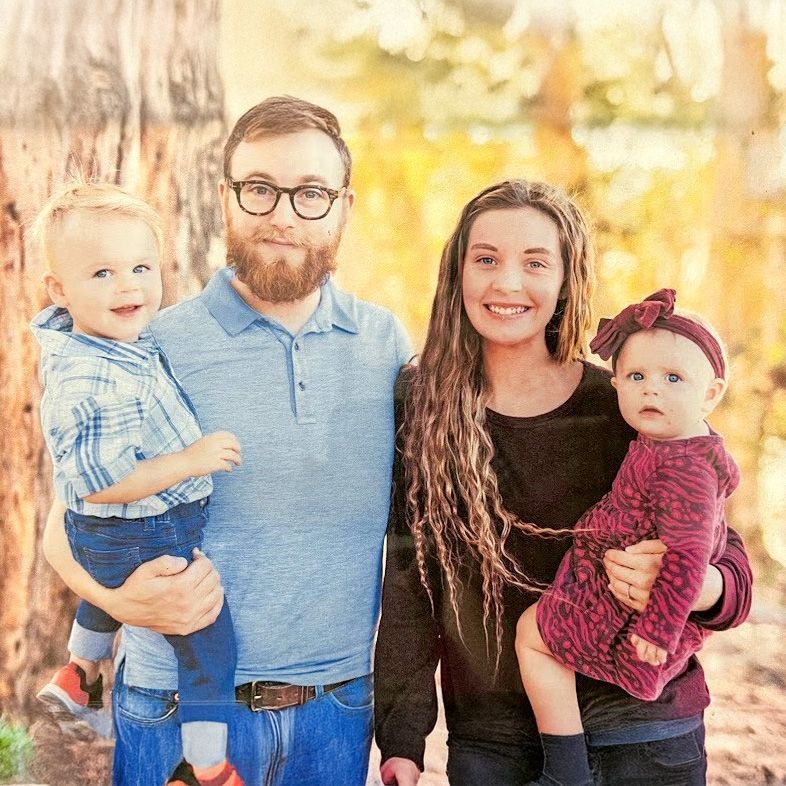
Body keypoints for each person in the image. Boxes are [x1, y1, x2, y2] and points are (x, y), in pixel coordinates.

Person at [41, 96, 412, 786]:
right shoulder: (150, 342)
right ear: (225, 198)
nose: (283, 214)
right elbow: (64, 522)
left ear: (344, 207)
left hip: (337, 713)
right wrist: (121, 605)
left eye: (310, 193)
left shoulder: (386, 346)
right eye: (260, 189)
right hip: (175, 707)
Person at [374, 179, 752, 786]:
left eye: (535, 262)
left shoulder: (625, 405)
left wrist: (698, 584)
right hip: (494, 738)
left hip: (640, 727)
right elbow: (409, 577)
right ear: (457, 272)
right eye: (487, 259)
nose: (507, 284)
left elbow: (728, 565)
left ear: (566, 277)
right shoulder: (423, 407)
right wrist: (402, 737)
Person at [31, 181, 244, 786]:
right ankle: (208, 767)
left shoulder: (100, 343)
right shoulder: (92, 376)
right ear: (59, 290)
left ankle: (80, 672)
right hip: (144, 526)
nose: (127, 286)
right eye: (102, 273)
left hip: (107, 533)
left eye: (140, 267)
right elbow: (105, 482)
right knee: (209, 647)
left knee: (106, 573)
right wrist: (191, 459)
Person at [515, 288, 738, 786]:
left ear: (711, 393)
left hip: (632, 617)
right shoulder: (669, 444)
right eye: (636, 377)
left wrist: (657, 629)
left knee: (533, 635)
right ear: (615, 382)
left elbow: (689, 556)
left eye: (673, 379)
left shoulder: (686, 468)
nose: (651, 391)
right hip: (622, 602)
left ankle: (564, 773)